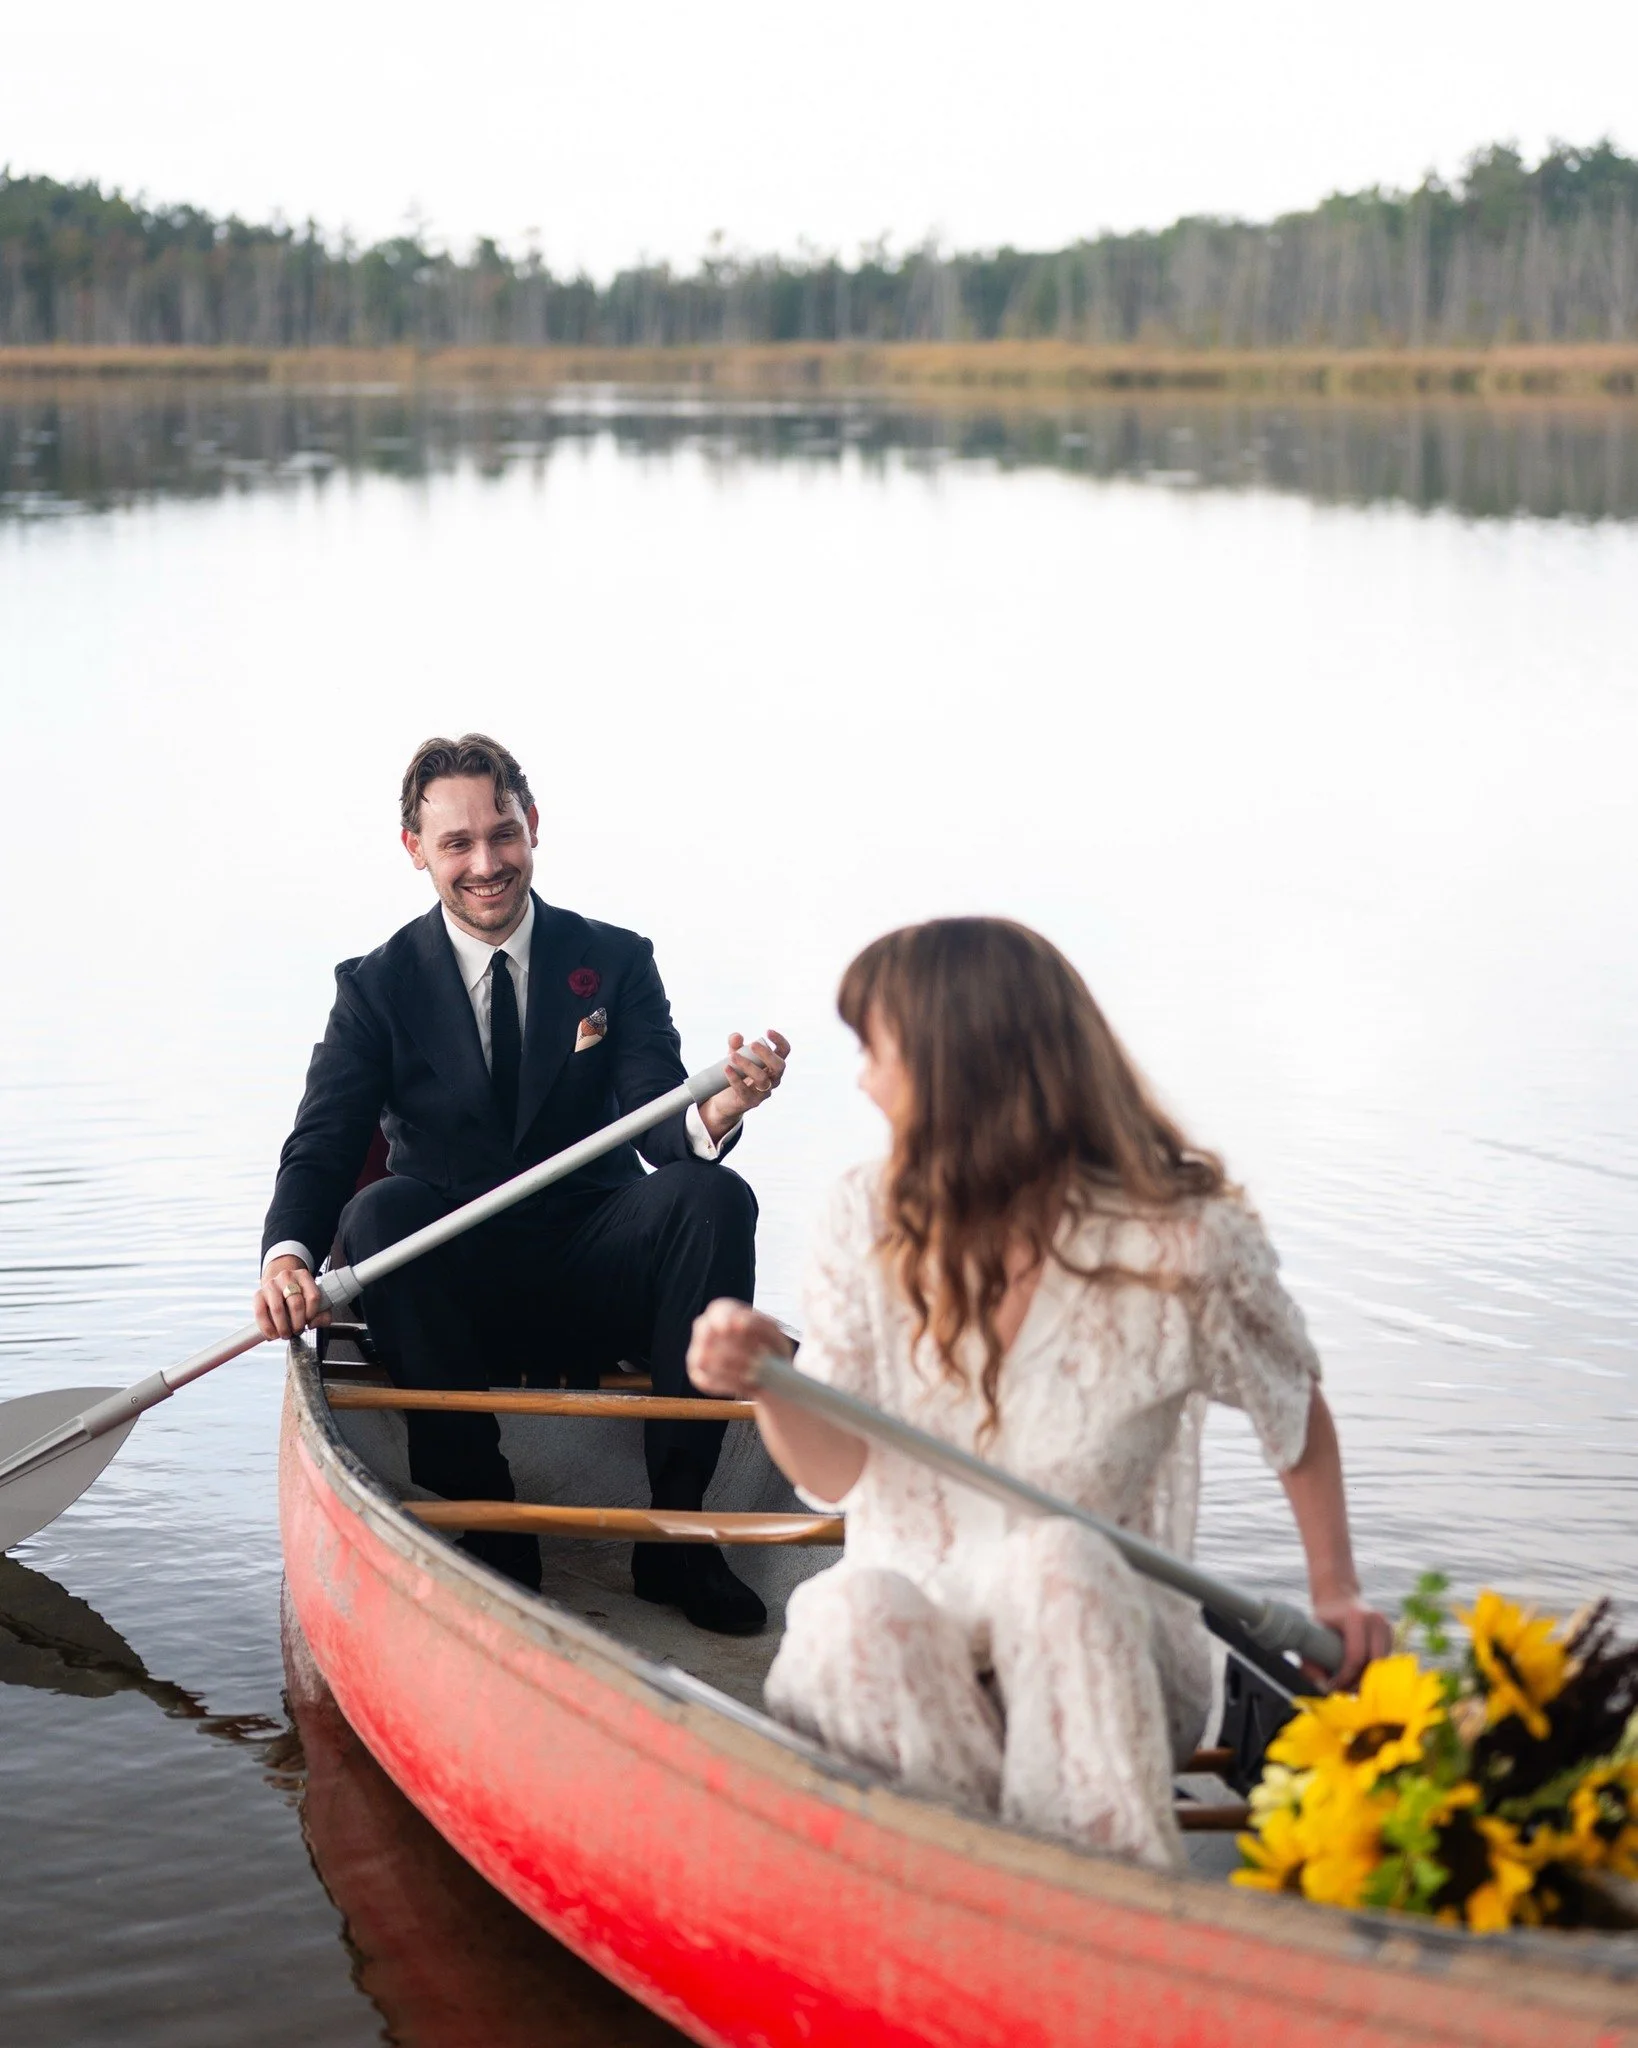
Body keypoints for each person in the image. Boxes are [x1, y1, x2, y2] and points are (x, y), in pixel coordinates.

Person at [688, 917, 1391, 1867]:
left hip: (1108, 1641)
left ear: (960, 1063)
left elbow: (1291, 1408)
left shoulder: (1181, 1239)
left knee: (1056, 1562)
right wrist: (768, 1382)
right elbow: (835, 1477)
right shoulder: (862, 1211)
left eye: (877, 1051)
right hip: (919, 1629)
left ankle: (1102, 1908)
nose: (861, 1080)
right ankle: (962, 1900)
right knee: (854, 1614)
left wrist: (1335, 1591)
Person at [254, 732, 789, 1633]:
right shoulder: (375, 988)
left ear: (532, 826)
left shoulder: (614, 961)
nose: (486, 863)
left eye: (502, 834)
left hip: (594, 1265)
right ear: (415, 850)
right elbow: (322, 1141)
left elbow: (659, 1117)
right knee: (378, 1207)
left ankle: (679, 1540)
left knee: (711, 1197)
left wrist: (718, 1111)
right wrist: (286, 1257)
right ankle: (490, 1528)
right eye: (457, 843)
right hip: (449, 1288)